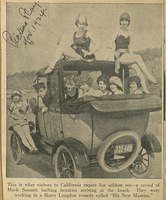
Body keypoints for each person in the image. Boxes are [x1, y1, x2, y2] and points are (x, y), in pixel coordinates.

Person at [107, 12, 158, 94]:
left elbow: (130, 48)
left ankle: (146, 90)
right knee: (138, 57)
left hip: (127, 56)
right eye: (123, 20)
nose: (124, 22)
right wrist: (108, 57)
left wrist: (131, 57)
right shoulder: (116, 31)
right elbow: (110, 45)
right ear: (120, 22)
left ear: (128, 23)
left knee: (138, 69)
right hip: (119, 56)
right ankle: (149, 77)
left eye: (126, 21)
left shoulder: (130, 33)